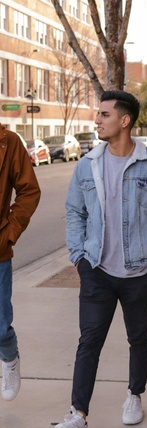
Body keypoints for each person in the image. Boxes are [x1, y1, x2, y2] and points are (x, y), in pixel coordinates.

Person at [54, 90, 147, 428]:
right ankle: (78, 415)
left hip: (140, 272)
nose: (97, 120)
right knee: (89, 340)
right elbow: (75, 212)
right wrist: (78, 256)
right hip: (96, 270)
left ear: (124, 121)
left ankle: (134, 395)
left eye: (104, 115)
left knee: (138, 337)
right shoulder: (87, 164)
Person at [0, 125, 41, 401]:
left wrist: (9, 233)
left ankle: (9, 358)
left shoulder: (8, 141)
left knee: (0, 327)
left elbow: (29, 190)